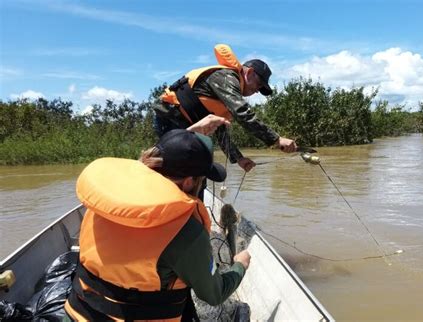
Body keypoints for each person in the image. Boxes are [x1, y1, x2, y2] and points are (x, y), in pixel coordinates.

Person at [64, 124, 251, 321]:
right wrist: (240, 266)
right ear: (189, 182)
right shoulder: (187, 231)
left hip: (77, 313)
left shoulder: (104, 203)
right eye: (201, 179)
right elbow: (213, 294)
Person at [153, 44, 298, 173]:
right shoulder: (226, 77)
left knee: (196, 171)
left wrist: (238, 159)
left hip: (186, 125)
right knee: (176, 168)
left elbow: (220, 130)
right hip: (170, 118)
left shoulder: (229, 94)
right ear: (250, 73)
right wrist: (276, 140)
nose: (257, 90)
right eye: (259, 84)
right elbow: (242, 113)